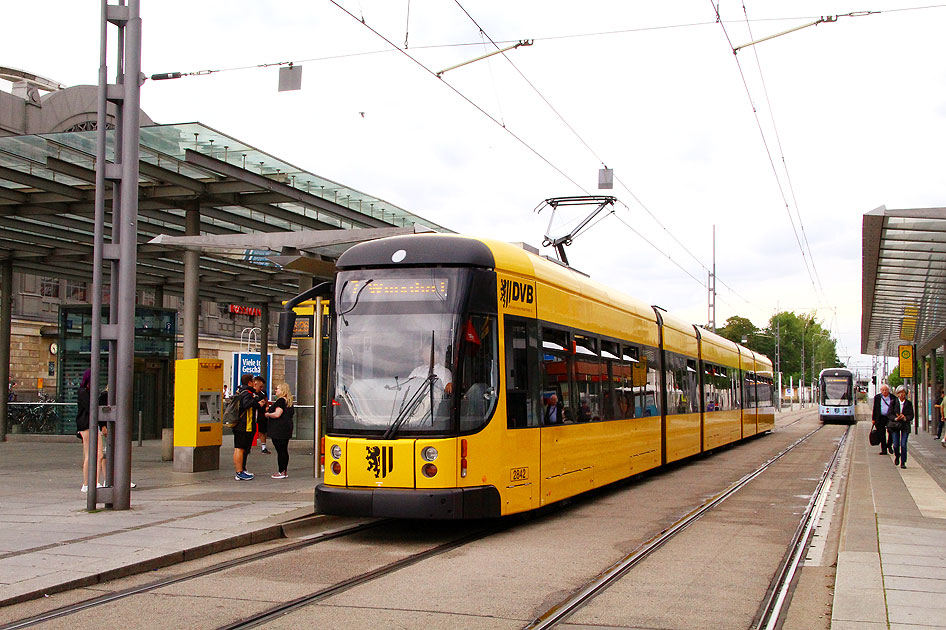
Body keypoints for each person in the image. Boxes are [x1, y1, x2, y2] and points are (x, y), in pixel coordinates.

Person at [75, 369, 103, 493]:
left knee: (92, 454)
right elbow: (90, 408)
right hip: (86, 425)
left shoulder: (86, 392)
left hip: (87, 425)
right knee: (93, 454)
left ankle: (90, 482)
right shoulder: (84, 392)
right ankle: (89, 482)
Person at [234, 374, 265, 481]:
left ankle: (242, 469)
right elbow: (246, 404)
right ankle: (239, 471)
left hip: (246, 425)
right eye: (252, 381)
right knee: (240, 448)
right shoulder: (246, 393)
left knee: (244, 448)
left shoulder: (244, 392)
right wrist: (258, 403)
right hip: (243, 425)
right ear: (249, 383)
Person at [264, 382, 295, 479]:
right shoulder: (289, 401)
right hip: (286, 428)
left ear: (282, 390)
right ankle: (284, 470)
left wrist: (268, 414)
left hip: (279, 429)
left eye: (277, 389)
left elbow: (277, 414)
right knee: (284, 450)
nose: (275, 390)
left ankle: (281, 471)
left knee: (280, 450)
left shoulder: (280, 401)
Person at [871, 383, 899, 455]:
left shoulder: (893, 397)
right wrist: (873, 419)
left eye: (886, 390)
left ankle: (889, 444)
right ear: (881, 391)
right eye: (883, 390)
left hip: (890, 417)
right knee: (881, 434)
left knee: (891, 431)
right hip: (880, 417)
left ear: (888, 390)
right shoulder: (877, 397)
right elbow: (875, 408)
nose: (884, 391)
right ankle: (884, 450)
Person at [891, 385, 914, 469]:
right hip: (895, 426)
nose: (902, 394)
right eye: (900, 393)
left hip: (905, 426)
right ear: (897, 394)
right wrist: (896, 418)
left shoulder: (909, 403)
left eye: (903, 393)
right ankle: (897, 456)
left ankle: (903, 462)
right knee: (896, 445)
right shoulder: (893, 402)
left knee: (903, 444)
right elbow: (889, 414)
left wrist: (905, 417)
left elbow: (911, 415)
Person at [253, 376, 271, 455]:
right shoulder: (251, 393)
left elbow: (266, 400)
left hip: (262, 413)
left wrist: (266, 406)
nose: (261, 388)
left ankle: (263, 447)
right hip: (253, 414)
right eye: (260, 387)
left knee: (263, 430)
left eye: (262, 387)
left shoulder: (263, 392)